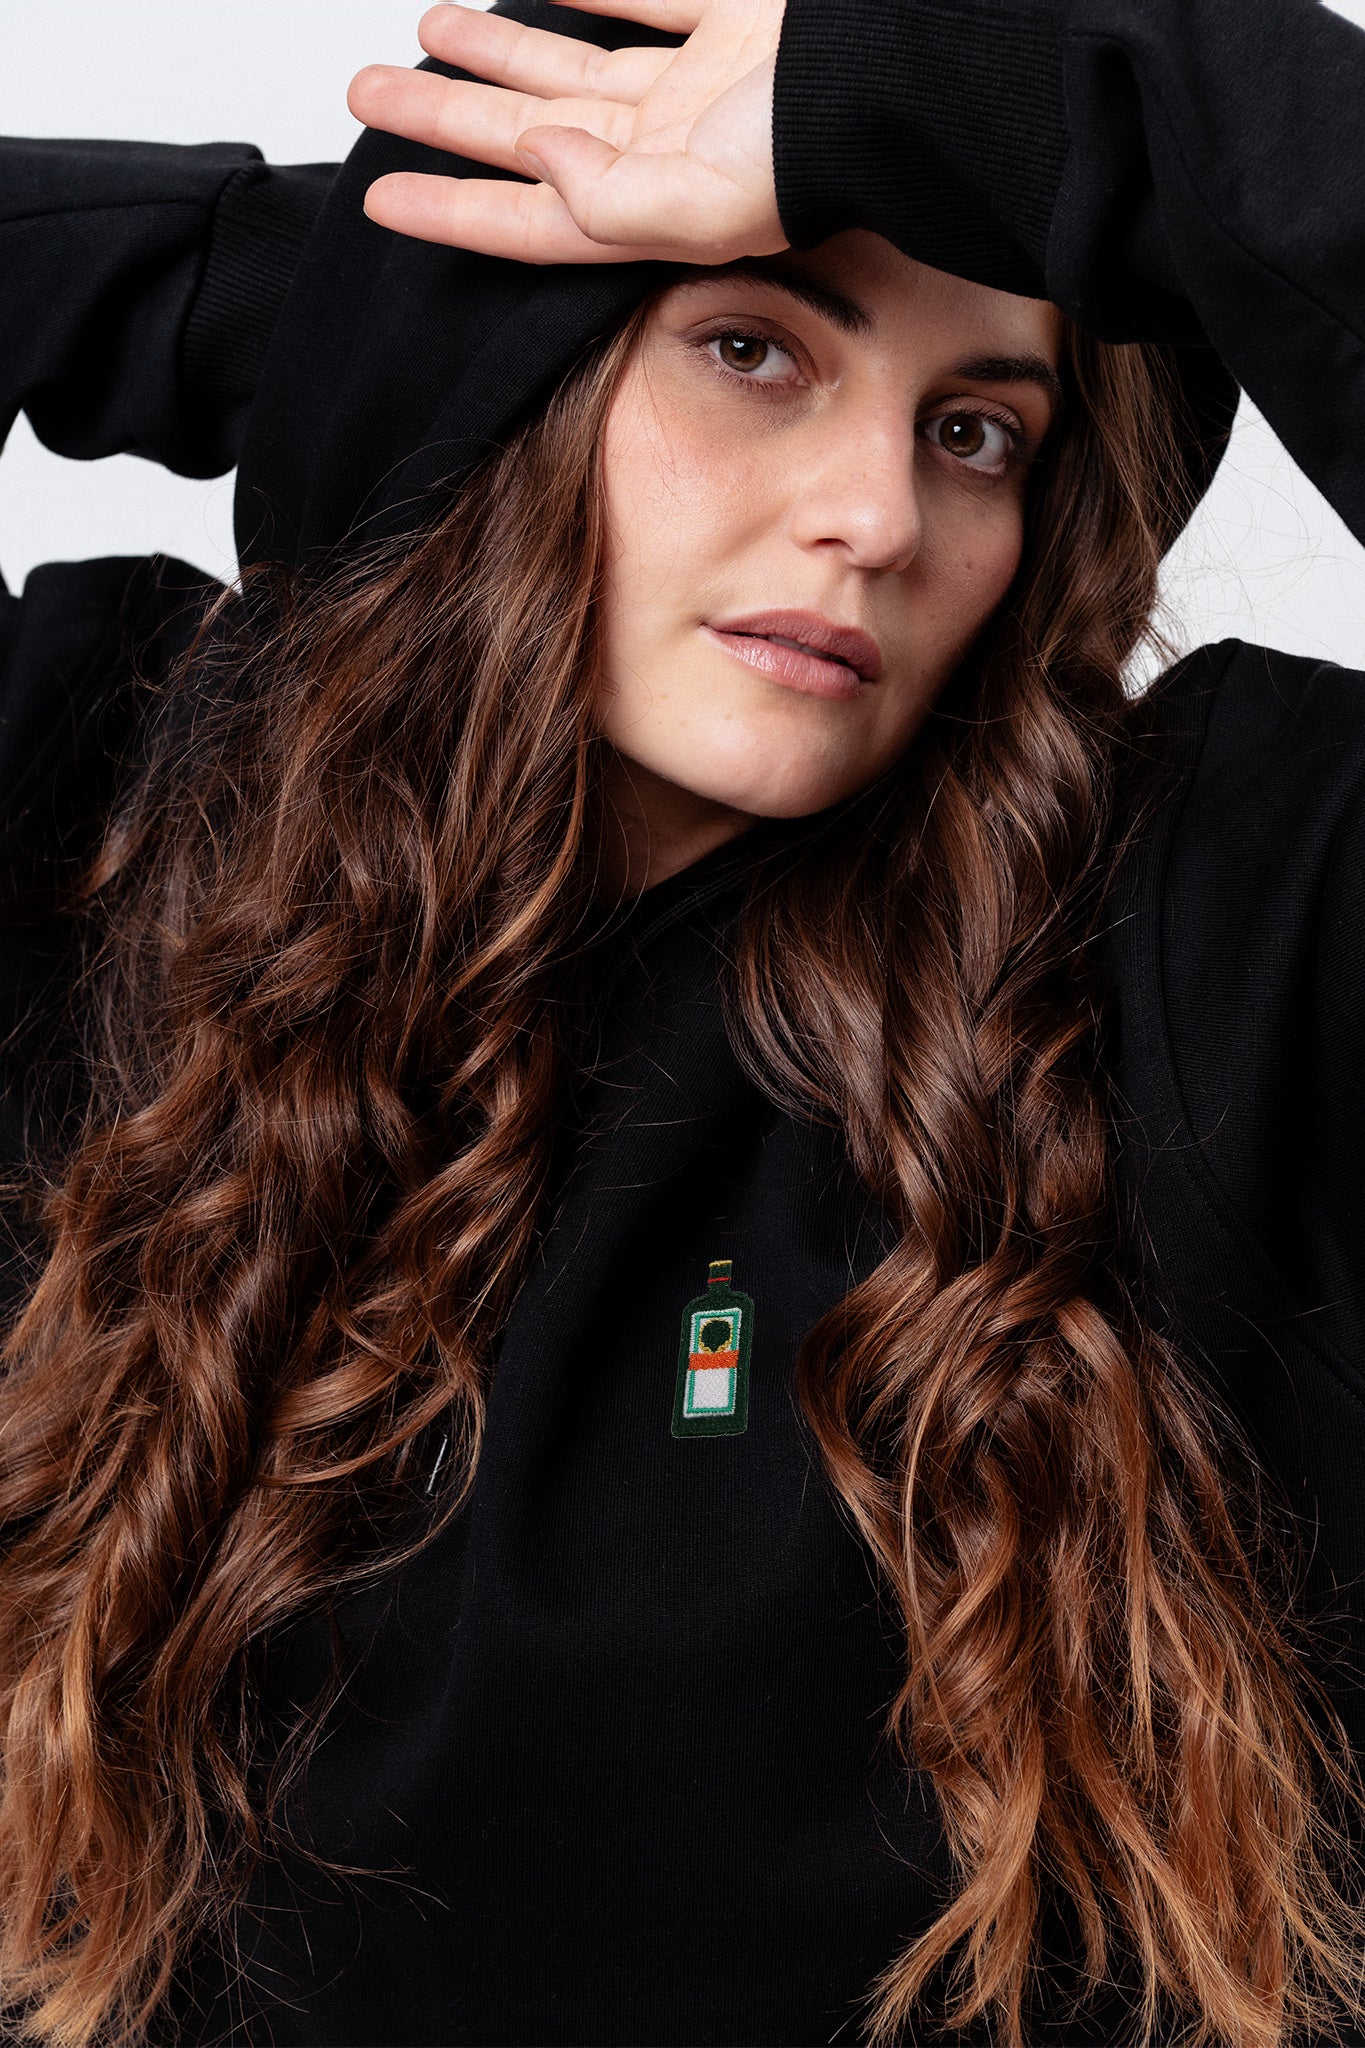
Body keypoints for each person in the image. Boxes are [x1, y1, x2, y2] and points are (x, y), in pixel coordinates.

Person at [0, 1, 1361, 2043]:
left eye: (974, 430)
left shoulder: (1200, 941)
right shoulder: (108, 828)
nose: (878, 517)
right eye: (752, 348)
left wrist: (1001, 98)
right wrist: (340, 305)